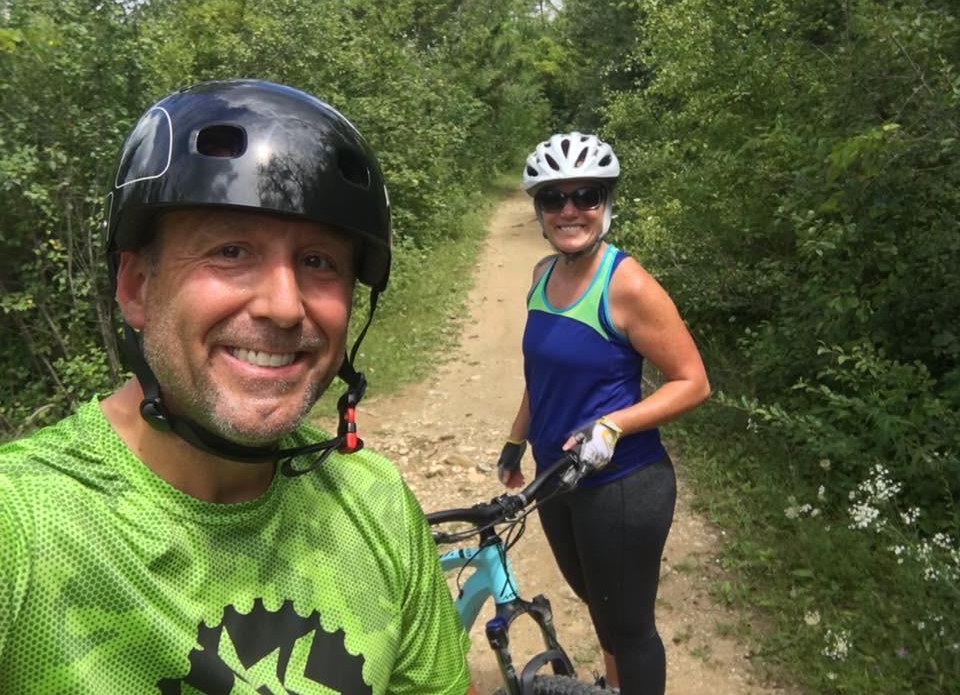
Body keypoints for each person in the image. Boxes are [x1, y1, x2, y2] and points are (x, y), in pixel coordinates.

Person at [0, 79, 475, 695]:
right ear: (137, 287)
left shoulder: (376, 505)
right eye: (231, 251)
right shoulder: (24, 522)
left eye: (319, 262)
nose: (283, 307)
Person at [497, 132, 710, 695]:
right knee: (600, 603)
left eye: (585, 195)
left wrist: (615, 423)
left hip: (620, 483)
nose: (570, 210)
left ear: (606, 203)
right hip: (556, 477)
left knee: (630, 627)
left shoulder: (628, 284)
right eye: (553, 199)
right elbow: (541, 375)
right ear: (539, 211)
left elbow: (693, 383)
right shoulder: (543, 275)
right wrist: (515, 444)